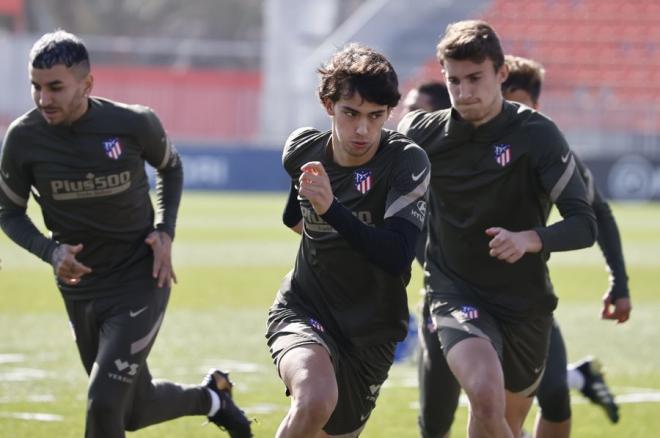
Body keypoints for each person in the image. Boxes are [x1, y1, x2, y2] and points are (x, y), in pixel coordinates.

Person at [0, 30, 251, 438]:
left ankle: (213, 399)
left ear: (87, 84)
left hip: (140, 277)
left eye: (55, 88)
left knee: (102, 404)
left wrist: (165, 231)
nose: (44, 99)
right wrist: (51, 252)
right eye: (36, 87)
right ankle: (214, 399)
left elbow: (171, 167)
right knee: (132, 410)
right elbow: (8, 212)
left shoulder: (133, 123)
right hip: (80, 289)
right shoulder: (24, 139)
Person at [398, 20, 598, 437]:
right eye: (454, 81)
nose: (465, 92)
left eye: (476, 78)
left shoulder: (537, 135)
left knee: (503, 422)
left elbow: (584, 224)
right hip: (455, 293)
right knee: (484, 396)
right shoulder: (420, 135)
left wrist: (531, 238)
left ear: (501, 74)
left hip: (525, 306)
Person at [266, 43, 430, 437]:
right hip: (305, 308)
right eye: (350, 113)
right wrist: (324, 220)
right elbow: (294, 217)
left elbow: (396, 256)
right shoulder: (303, 149)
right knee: (314, 399)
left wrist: (332, 211)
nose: (363, 129)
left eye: (376, 117)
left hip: (371, 331)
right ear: (328, 105)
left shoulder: (406, 162)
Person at [502, 54, 631, 438]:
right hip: (463, 296)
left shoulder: (549, 152)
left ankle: (576, 379)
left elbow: (597, 213)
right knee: (484, 398)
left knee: (555, 393)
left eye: (520, 105)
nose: (512, 114)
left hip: (529, 296)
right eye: (505, 103)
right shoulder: (458, 146)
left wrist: (619, 282)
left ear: (537, 107)